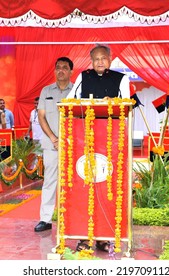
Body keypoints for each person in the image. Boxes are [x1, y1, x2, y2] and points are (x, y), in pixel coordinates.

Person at [68, 44, 130, 252]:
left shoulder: (121, 79)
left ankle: (105, 236)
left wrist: (114, 102)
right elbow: (69, 102)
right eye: (96, 59)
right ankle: (85, 237)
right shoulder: (82, 77)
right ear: (91, 61)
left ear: (110, 60)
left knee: (107, 187)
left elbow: (127, 104)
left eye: (103, 58)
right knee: (84, 188)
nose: (100, 62)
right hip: (84, 139)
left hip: (112, 140)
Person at [34, 57, 74, 232]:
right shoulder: (46, 91)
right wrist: (54, 138)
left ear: (71, 71)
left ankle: (72, 219)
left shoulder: (77, 91)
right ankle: (46, 219)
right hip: (52, 146)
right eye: (58, 67)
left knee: (72, 182)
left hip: (74, 146)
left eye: (65, 68)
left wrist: (68, 140)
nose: (61, 70)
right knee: (50, 181)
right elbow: (41, 116)